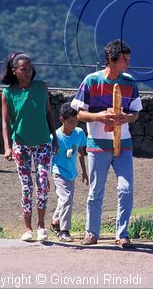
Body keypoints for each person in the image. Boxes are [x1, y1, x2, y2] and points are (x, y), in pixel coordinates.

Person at [71, 39, 142, 248]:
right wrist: (99, 116)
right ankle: (92, 233)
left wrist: (127, 118)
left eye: (128, 60)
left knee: (126, 189)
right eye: (124, 60)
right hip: (97, 145)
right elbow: (78, 113)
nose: (128, 64)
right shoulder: (91, 81)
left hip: (124, 144)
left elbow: (136, 113)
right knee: (96, 190)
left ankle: (122, 234)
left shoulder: (130, 82)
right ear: (111, 61)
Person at [0, 51, 59, 241]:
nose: (28, 71)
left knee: (42, 183)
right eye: (23, 69)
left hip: (43, 143)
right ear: (14, 71)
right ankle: (27, 228)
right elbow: (5, 122)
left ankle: (42, 226)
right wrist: (7, 146)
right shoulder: (8, 93)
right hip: (21, 145)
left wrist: (54, 138)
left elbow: (49, 113)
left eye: (30, 68)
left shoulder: (41, 87)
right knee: (26, 187)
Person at [50, 102, 88, 241]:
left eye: (76, 121)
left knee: (65, 199)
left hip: (71, 173)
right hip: (58, 171)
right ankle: (63, 230)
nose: (74, 125)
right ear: (62, 120)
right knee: (66, 199)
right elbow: (49, 158)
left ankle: (55, 220)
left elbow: (80, 152)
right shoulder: (55, 137)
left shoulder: (79, 133)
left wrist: (84, 172)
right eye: (70, 122)